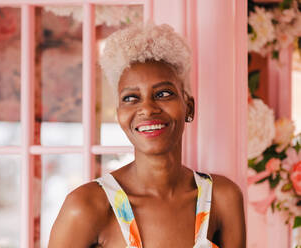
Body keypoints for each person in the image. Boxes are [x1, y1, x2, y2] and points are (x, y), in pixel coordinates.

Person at [48, 23, 246, 248]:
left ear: (189, 107)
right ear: (119, 115)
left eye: (163, 93)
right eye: (131, 98)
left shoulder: (222, 197)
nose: (148, 108)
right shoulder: (87, 206)